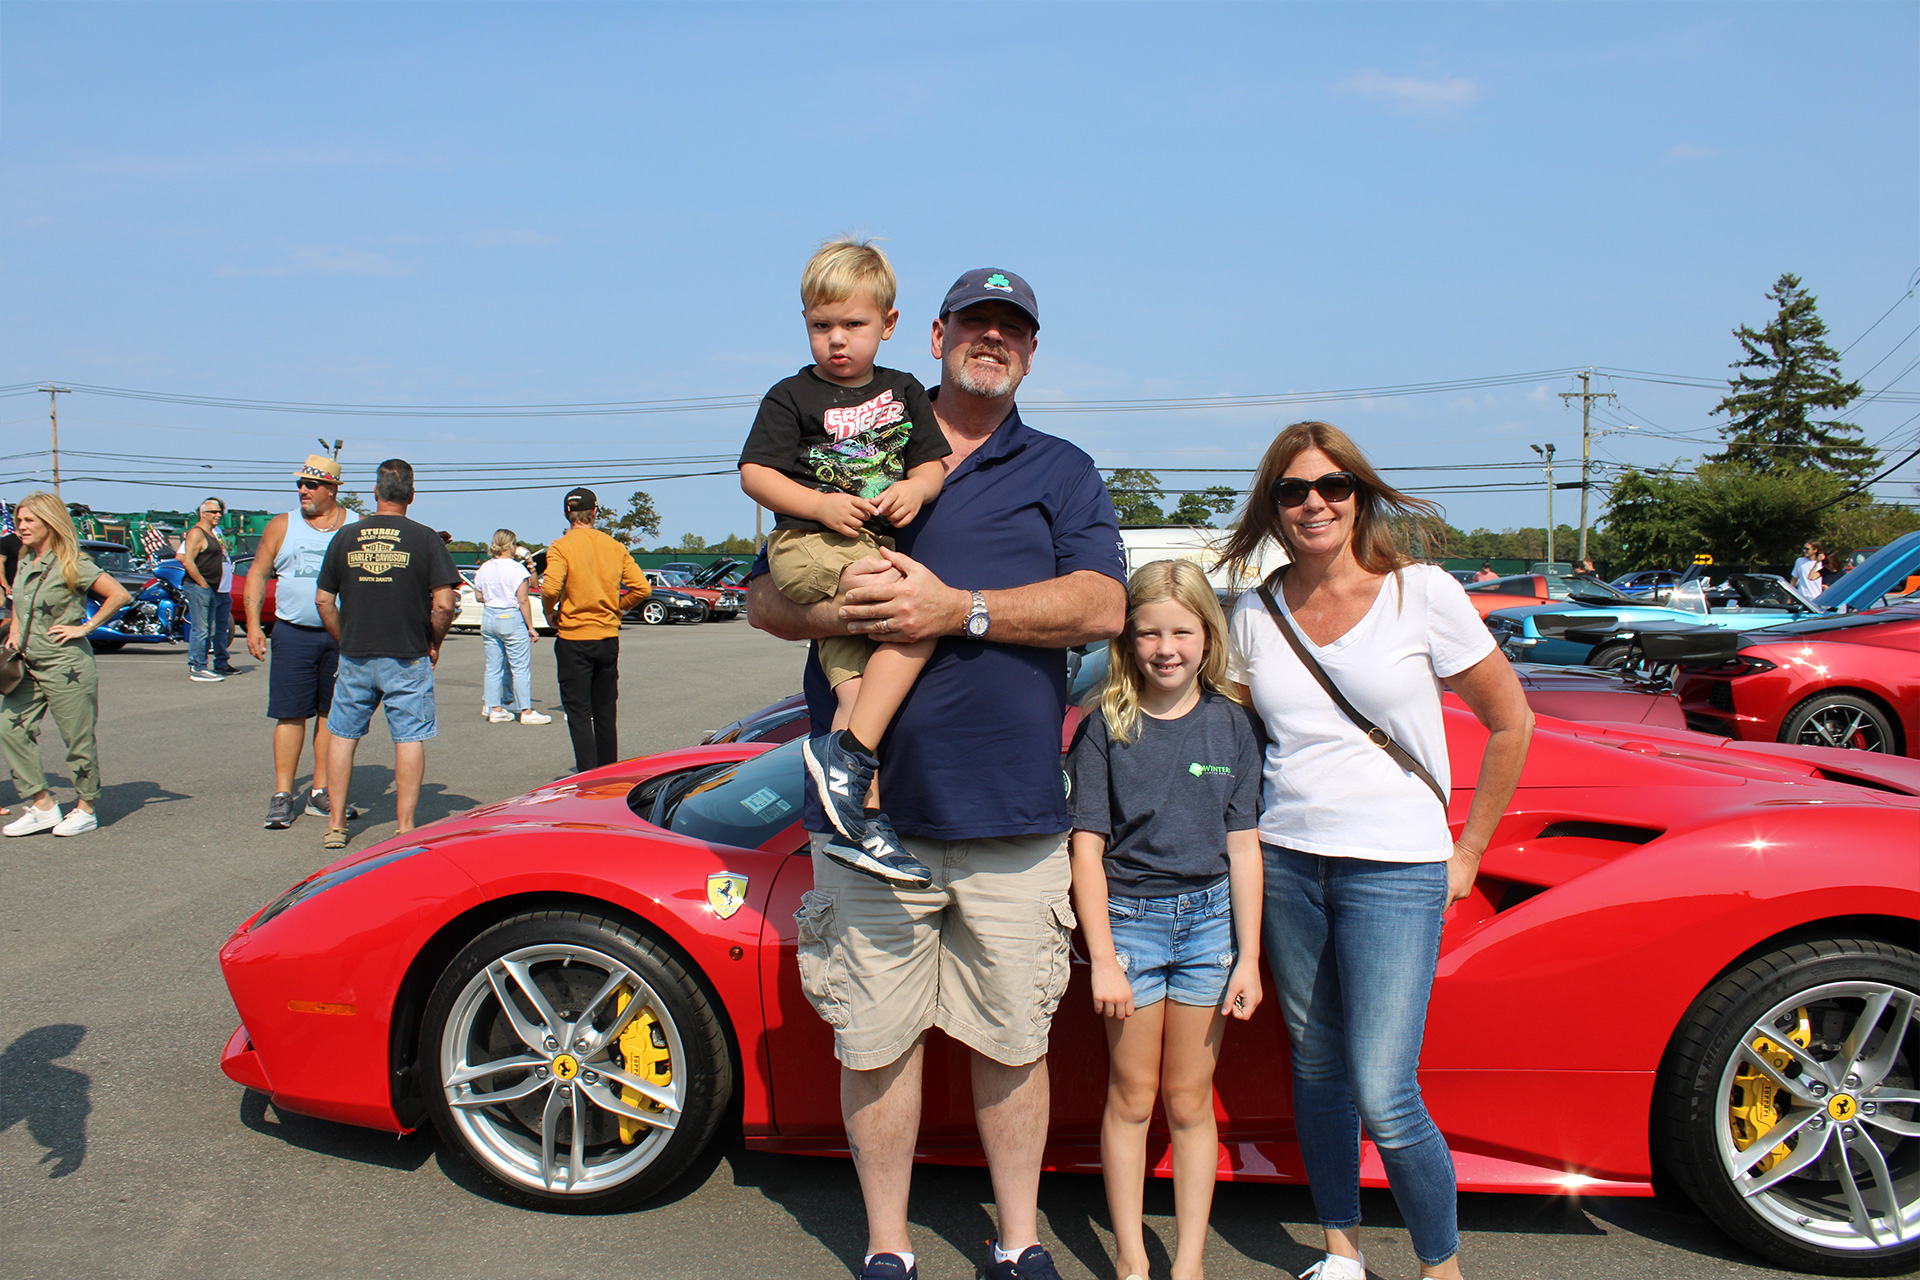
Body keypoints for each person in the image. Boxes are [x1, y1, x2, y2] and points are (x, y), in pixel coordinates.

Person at [750, 266, 1127, 1280]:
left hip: (1011, 813)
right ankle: (888, 1246)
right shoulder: (851, 433)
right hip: (871, 814)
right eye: (975, 323)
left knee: (1012, 1041)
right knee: (874, 1043)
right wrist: (858, 613)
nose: (991, 340)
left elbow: (1101, 605)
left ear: (1032, 351)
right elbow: (765, 601)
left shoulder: (1060, 468)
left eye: (1013, 329)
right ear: (937, 331)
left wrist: (956, 608)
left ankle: (1016, 1240)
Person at [1217, 421, 1534, 1280]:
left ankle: (1441, 1266)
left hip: (1396, 868)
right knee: (1317, 1069)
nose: (1313, 502)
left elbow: (1512, 722)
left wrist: (1467, 851)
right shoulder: (1255, 609)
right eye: (1292, 490)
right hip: (1287, 861)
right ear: (1272, 507)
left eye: (1332, 486)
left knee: (1387, 1091)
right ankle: (1341, 1249)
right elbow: (1235, 748)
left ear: (1360, 494)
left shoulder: (1421, 593)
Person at [1066, 559, 1264, 1280]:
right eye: (1148, 633)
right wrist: (1106, 956)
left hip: (1211, 926)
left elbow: (1243, 848)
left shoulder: (1233, 729)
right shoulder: (1102, 729)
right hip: (1130, 925)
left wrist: (1248, 957)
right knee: (1131, 1095)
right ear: (1127, 641)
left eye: (1182, 631)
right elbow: (1086, 849)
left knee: (1188, 1100)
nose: (1166, 648)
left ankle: (1187, 1262)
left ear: (1208, 636)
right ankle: (1128, 1259)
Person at [740, 239, 951, 886]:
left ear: (888, 325)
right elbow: (754, 474)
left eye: (853, 325)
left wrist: (915, 490)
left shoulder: (905, 390)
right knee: (912, 614)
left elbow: (931, 463)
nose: (837, 340)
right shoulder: (791, 396)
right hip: (809, 543)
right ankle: (850, 761)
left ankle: (863, 818)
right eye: (820, 325)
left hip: (867, 545)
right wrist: (819, 505)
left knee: (856, 683)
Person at [314, 459, 460, 851]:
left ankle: (335, 824)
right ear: (411, 495)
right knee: (409, 737)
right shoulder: (425, 538)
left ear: (375, 493)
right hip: (408, 653)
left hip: (356, 652)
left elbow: (324, 600)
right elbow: (445, 603)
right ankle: (406, 827)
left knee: (342, 736)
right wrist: (435, 642)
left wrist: (345, 638)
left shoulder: (345, 537)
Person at [1, 491, 132, 837]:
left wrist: (85, 627)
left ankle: (86, 807)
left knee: (76, 739)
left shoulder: (72, 562)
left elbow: (119, 594)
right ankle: (42, 805)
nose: (21, 526)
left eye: (29, 520)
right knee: (9, 728)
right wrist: (15, 629)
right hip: (27, 663)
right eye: (19, 520)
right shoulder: (26, 560)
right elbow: (18, 601)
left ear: (50, 522)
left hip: (66, 664)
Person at [246, 454, 363, 831]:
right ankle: (283, 795)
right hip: (293, 632)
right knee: (290, 713)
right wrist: (252, 625)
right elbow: (258, 573)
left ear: (332, 489)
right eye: (300, 484)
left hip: (342, 636)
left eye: (311, 485)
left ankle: (319, 792)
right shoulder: (283, 525)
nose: (302, 491)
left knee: (332, 715)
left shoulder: (356, 526)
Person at [540, 488, 650, 773]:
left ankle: (587, 775)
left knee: (578, 713)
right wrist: (618, 606)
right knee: (604, 711)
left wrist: (550, 610)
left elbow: (551, 587)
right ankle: (608, 772)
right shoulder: (613, 546)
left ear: (567, 514)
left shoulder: (561, 546)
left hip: (574, 637)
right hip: (606, 637)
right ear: (594, 512)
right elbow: (642, 588)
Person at [476, 527, 549, 725]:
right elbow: (523, 600)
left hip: (489, 615)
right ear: (512, 545)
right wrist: (531, 627)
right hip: (510, 615)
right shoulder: (517, 569)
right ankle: (525, 710)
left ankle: (494, 708)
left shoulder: (484, 568)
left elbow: (479, 596)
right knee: (520, 667)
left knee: (493, 667)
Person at [179, 496, 231, 681]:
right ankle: (197, 666)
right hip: (198, 587)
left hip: (212, 588)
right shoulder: (196, 533)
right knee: (200, 629)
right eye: (213, 512)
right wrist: (202, 582)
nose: (218, 515)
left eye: (220, 512)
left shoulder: (213, 533)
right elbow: (187, 560)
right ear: (203, 514)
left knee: (210, 628)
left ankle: (205, 664)